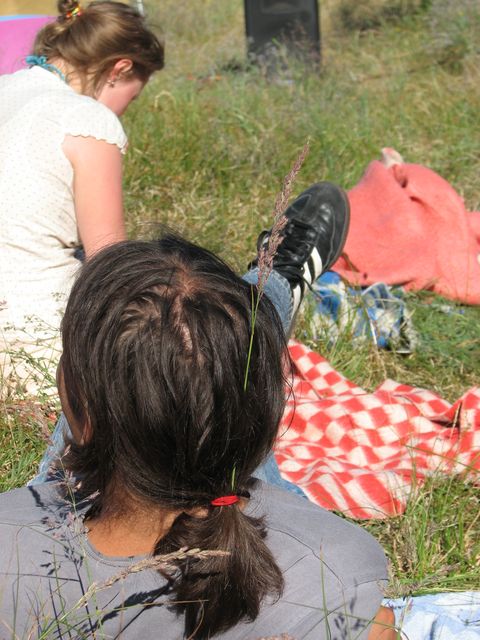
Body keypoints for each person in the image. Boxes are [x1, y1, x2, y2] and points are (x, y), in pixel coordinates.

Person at [0, 183, 396, 639]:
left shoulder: (11, 546)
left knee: (129, 370)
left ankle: (264, 294)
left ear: (80, 420)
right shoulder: (337, 572)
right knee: (197, 367)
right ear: (267, 426)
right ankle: (273, 285)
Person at [0, 0, 164, 396]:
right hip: (36, 352)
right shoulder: (87, 119)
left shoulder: (5, 88)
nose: (124, 111)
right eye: (132, 97)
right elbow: (109, 264)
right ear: (119, 68)